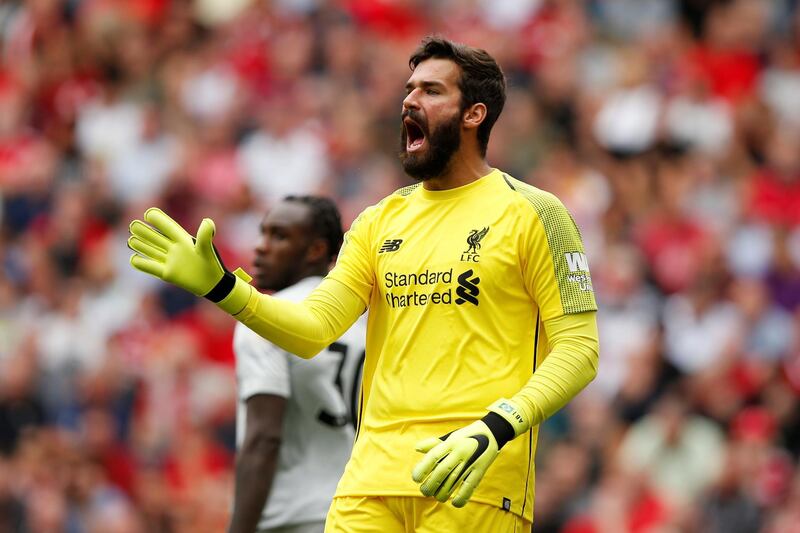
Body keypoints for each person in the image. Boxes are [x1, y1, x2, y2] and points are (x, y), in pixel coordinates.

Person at [129, 37, 600, 532]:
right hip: (368, 480)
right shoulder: (380, 220)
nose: (409, 100)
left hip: (473, 480)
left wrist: (495, 428)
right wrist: (224, 288)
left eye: (432, 90)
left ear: (474, 114)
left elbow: (579, 350)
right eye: (409, 88)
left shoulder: (534, 212)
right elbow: (314, 328)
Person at [229, 196, 366, 533]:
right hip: (358, 511)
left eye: (279, 236)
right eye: (262, 234)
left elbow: (264, 438)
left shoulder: (262, 316)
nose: (260, 247)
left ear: (316, 250)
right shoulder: (365, 322)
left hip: (290, 517)